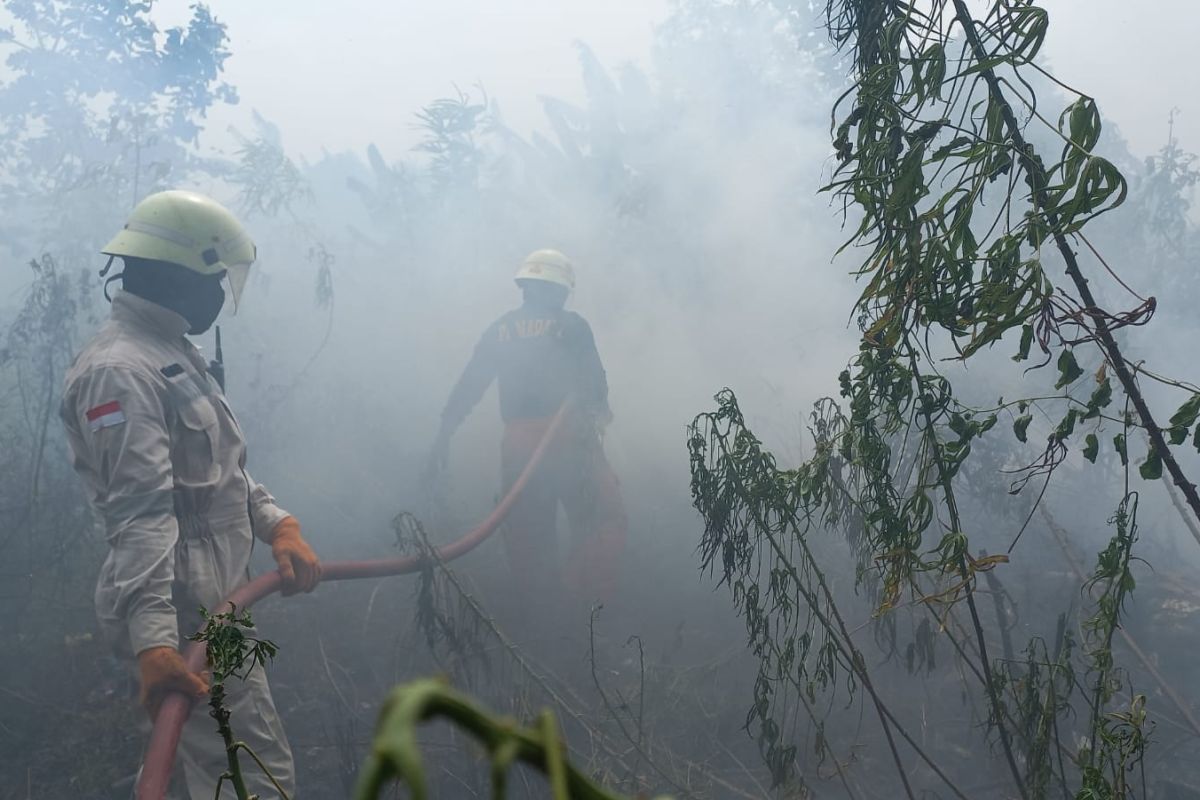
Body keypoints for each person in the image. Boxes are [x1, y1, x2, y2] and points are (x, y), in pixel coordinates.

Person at [60, 190, 321, 798]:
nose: (219, 296)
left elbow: (216, 474)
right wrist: (155, 642)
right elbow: (142, 516)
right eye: (214, 278)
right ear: (177, 275)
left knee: (229, 762)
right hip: (184, 603)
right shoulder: (119, 373)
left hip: (217, 591)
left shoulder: (171, 350)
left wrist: (276, 524)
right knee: (252, 774)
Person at [429, 249, 627, 610]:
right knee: (601, 517)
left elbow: (471, 382)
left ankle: (539, 610)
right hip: (570, 436)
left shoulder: (499, 330)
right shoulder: (573, 326)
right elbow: (595, 383)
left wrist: (446, 429)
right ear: (559, 290)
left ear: (525, 287)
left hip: (519, 444)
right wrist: (600, 415)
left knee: (526, 530)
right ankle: (591, 609)